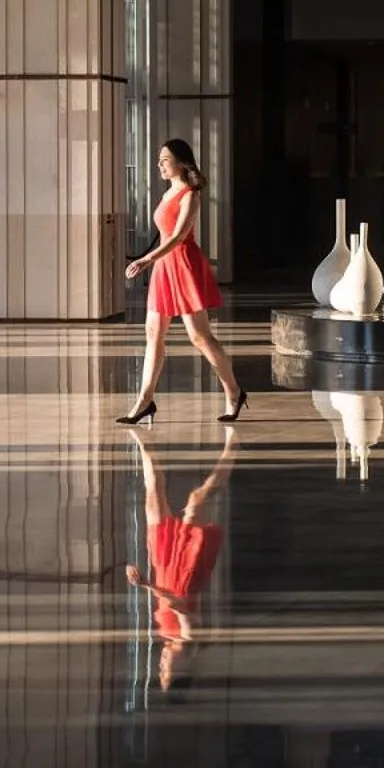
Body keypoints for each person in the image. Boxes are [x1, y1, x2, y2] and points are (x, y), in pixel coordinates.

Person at [119, 139, 247, 423]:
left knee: (199, 337)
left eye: (165, 159)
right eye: (159, 160)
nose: (160, 164)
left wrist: (145, 260)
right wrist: (154, 260)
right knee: (153, 333)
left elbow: (178, 238)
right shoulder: (168, 194)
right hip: (164, 266)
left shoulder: (190, 195)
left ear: (180, 162)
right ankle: (144, 400)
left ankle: (234, 392)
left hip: (184, 266)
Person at [124, 428, 238, 694]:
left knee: (153, 496)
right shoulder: (189, 641)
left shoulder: (167, 637)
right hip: (186, 571)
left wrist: (151, 580)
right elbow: (180, 607)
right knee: (198, 498)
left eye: (160, 670)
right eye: (166, 670)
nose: (162, 664)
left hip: (164, 567)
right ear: (185, 669)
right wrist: (145, 585)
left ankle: (144, 441)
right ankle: (233, 448)